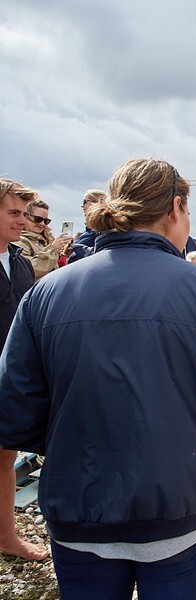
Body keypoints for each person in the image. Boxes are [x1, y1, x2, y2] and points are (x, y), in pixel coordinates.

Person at [0, 159, 196, 599]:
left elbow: (15, 414)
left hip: (80, 506)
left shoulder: (45, 294)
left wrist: (75, 443)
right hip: (179, 506)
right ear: (176, 208)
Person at [0, 178, 47, 562]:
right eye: (14, 213)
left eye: (24, 214)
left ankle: (6, 537)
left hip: (9, 377)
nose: (23, 222)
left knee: (4, 457)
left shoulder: (19, 261)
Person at [17, 198, 71, 280]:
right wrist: (53, 249)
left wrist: (63, 253)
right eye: (38, 219)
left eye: (46, 221)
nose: (42, 224)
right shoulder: (18, 240)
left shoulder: (44, 240)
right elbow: (29, 269)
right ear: (26, 216)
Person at [68, 189, 107, 264]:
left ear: (95, 203)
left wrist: (75, 247)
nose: (82, 205)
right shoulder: (89, 232)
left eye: (84, 201)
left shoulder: (100, 230)